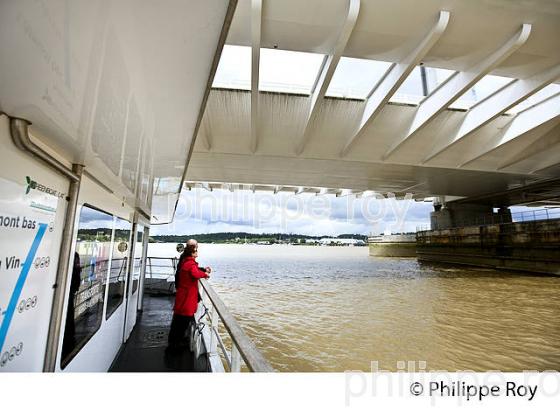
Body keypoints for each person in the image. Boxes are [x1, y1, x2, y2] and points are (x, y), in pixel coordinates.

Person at [167, 240, 212, 351]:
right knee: (182, 321)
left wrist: (203, 271)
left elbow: (194, 271)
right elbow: (194, 273)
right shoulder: (190, 263)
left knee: (179, 321)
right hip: (186, 296)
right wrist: (205, 274)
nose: (197, 252)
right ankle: (175, 345)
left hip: (183, 294)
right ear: (191, 252)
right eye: (195, 250)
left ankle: (174, 343)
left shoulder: (186, 261)